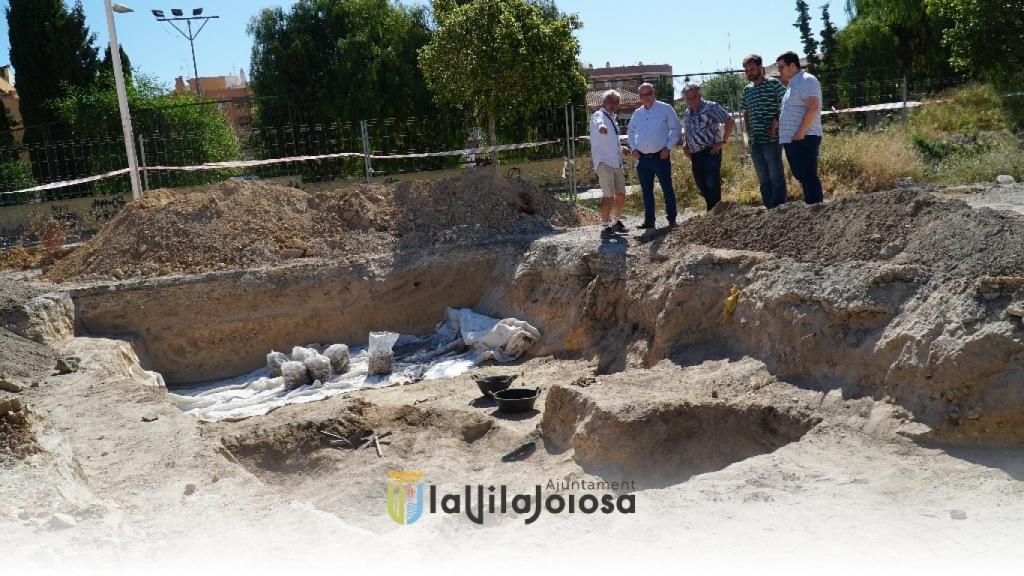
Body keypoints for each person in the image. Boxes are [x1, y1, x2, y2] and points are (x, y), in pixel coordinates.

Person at [627, 82, 681, 228]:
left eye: (649, 93)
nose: (646, 97)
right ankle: (649, 221)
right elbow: (630, 131)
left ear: (654, 93)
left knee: (667, 188)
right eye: (643, 95)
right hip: (643, 159)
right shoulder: (637, 113)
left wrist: (668, 147)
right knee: (646, 191)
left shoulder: (665, 108)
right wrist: (633, 148)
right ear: (639, 97)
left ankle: (672, 220)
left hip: (660, 157)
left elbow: (676, 128)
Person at [741, 54, 788, 208]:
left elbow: (786, 103)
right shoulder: (747, 90)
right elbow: (746, 112)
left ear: (760, 67)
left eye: (752, 69)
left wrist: (776, 120)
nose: (749, 73)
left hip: (772, 139)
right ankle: (769, 209)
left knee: (776, 177)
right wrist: (748, 132)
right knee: (763, 179)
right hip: (756, 141)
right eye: (747, 71)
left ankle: (780, 209)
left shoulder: (773, 84)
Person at [776, 51, 824, 204]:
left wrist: (800, 132)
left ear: (792, 65)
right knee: (802, 176)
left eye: (781, 67)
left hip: (804, 137)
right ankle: (812, 208)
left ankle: (817, 209)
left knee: (808, 176)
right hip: (795, 139)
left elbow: (813, 107)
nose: (779, 71)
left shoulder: (806, 80)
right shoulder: (793, 84)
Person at [681, 84, 735, 211]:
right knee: (701, 183)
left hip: (711, 151)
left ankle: (715, 212)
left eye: (695, 96)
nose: (692, 100)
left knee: (712, 183)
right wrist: (685, 144)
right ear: (685, 99)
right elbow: (687, 130)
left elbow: (729, 121)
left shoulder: (711, 107)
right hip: (695, 154)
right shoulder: (687, 112)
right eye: (688, 98)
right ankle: (713, 210)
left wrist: (723, 141)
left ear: (700, 95)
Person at [589, 89, 629, 238]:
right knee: (608, 196)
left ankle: (617, 222)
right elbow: (598, 122)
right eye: (610, 101)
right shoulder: (598, 115)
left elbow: (612, 141)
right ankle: (605, 227)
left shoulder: (613, 119)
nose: (613, 104)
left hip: (616, 162)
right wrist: (601, 126)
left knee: (621, 194)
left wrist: (622, 148)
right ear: (604, 102)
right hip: (604, 161)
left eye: (616, 102)